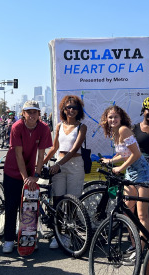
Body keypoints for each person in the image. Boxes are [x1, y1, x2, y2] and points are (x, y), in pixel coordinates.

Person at [100, 105, 149, 257]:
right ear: (106, 119)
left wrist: (120, 168)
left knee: (142, 214)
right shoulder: (115, 133)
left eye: (115, 117)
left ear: (121, 118)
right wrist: (110, 161)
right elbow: (124, 153)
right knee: (127, 211)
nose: (113, 120)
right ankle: (134, 244)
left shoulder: (123, 130)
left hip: (142, 173)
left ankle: (141, 250)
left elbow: (136, 154)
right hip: (130, 173)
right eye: (110, 117)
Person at [2, 100, 52, 254]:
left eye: (34, 112)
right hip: (12, 170)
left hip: (30, 171)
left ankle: (28, 237)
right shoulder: (17, 126)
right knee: (12, 206)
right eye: (28, 112)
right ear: (23, 114)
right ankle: (9, 239)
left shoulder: (44, 128)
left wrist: (36, 175)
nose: (31, 115)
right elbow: (18, 154)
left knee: (29, 208)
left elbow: (41, 154)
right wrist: (25, 178)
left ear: (39, 114)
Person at [43, 95, 87, 249]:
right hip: (59, 165)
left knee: (72, 202)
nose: (71, 110)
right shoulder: (59, 126)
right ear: (63, 109)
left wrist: (58, 164)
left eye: (74, 107)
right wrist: (41, 163)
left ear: (79, 110)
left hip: (75, 165)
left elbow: (74, 149)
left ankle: (69, 234)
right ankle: (57, 234)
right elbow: (54, 148)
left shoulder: (82, 127)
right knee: (57, 201)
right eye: (68, 107)